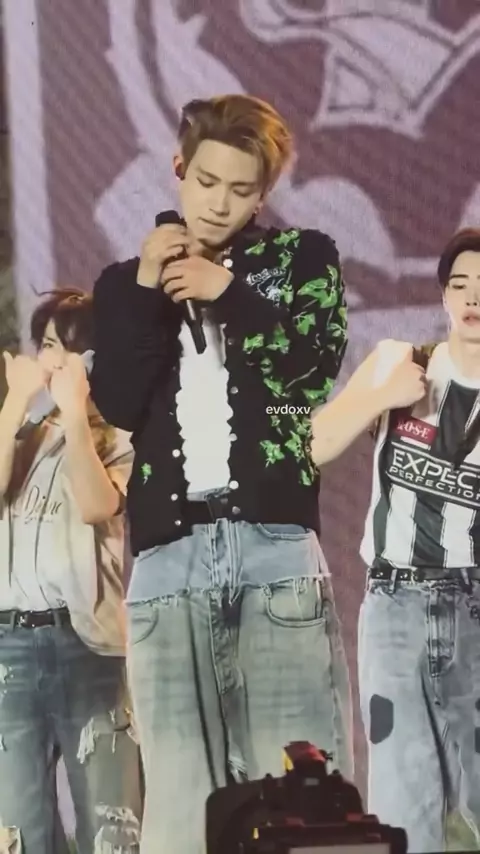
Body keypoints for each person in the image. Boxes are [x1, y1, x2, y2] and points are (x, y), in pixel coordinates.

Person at [90, 94, 352, 854]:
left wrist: (229, 294)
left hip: (272, 550)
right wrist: (150, 285)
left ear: (263, 194)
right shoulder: (124, 284)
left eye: (241, 190)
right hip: (167, 560)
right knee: (180, 806)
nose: (219, 203)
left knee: (302, 791)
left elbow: (310, 375)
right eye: (206, 183)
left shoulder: (303, 258)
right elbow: (120, 404)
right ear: (179, 169)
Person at [311, 228, 480, 852]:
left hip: (474, 606)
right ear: (443, 296)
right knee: (403, 807)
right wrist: (382, 398)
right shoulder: (398, 361)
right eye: (460, 285)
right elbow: (313, 443)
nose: (472, 298)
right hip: (394, 606)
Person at [0, 290, 142, 854]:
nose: (53, 359)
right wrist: (15, 402)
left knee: (111, 830)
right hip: (11, 647)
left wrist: (79, 415)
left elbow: (96, 505)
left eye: (69, 348)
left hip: (87, 647)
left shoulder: (123, 435)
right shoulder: (22, 432)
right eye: (47, 345)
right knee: (17, 834)